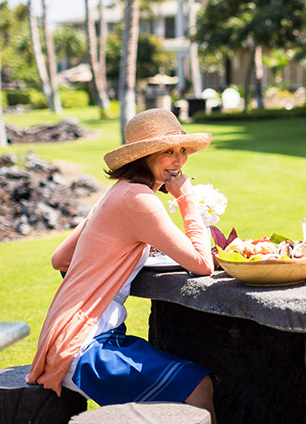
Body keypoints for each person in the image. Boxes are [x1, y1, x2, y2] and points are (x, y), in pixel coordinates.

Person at [26, 108, 217, 421]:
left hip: (69, 335)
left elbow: (60, 259)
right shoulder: (139, 199)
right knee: (199, 386)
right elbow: (201, 264)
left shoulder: (116, 194)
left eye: (182, 150)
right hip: (85, 346)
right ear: (142, 156)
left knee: (180, 387)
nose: (179, 161)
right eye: (168, 151)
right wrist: (187, 200)